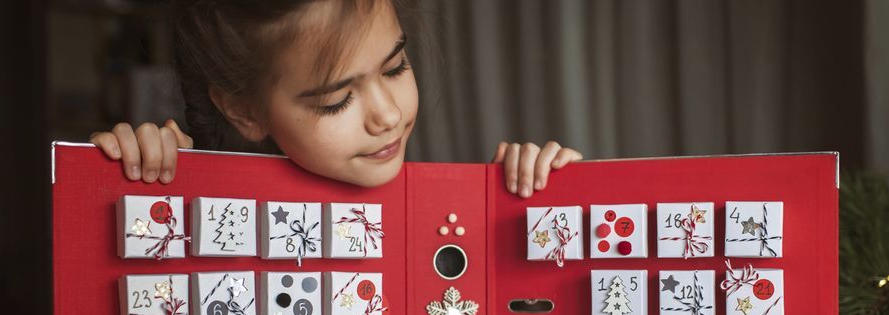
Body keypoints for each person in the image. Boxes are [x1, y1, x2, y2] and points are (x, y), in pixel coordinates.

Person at [89, 0, 582, 198]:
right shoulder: (197, 204)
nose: (387, 115)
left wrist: (541, 194)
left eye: (395, 68)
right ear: (243, 109)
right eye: (335, 101)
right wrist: (136, 177)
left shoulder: (454, 212)